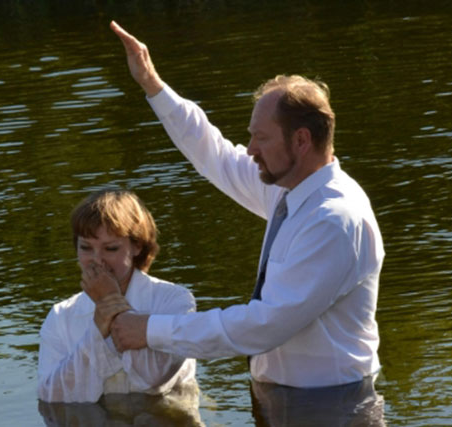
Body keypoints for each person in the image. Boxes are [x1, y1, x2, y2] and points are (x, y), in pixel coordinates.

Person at [109, 21, 385, 394]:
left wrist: (150, 329)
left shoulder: (333, 219)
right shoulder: (288, 189)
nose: (251, 149)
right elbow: (213, 152)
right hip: (287, 400)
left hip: (332, 406)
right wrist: (152, 85)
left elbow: (264, 326)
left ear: (301, 141)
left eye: (261, 137)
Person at [36, 190, 198, 406]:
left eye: (110, 248)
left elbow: (154, 380)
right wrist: (97, 332)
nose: (97, 260)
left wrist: (112, 305)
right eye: (85, 247)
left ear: (137, 246)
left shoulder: (174, 301)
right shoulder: (61, 316)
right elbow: (51, 397)